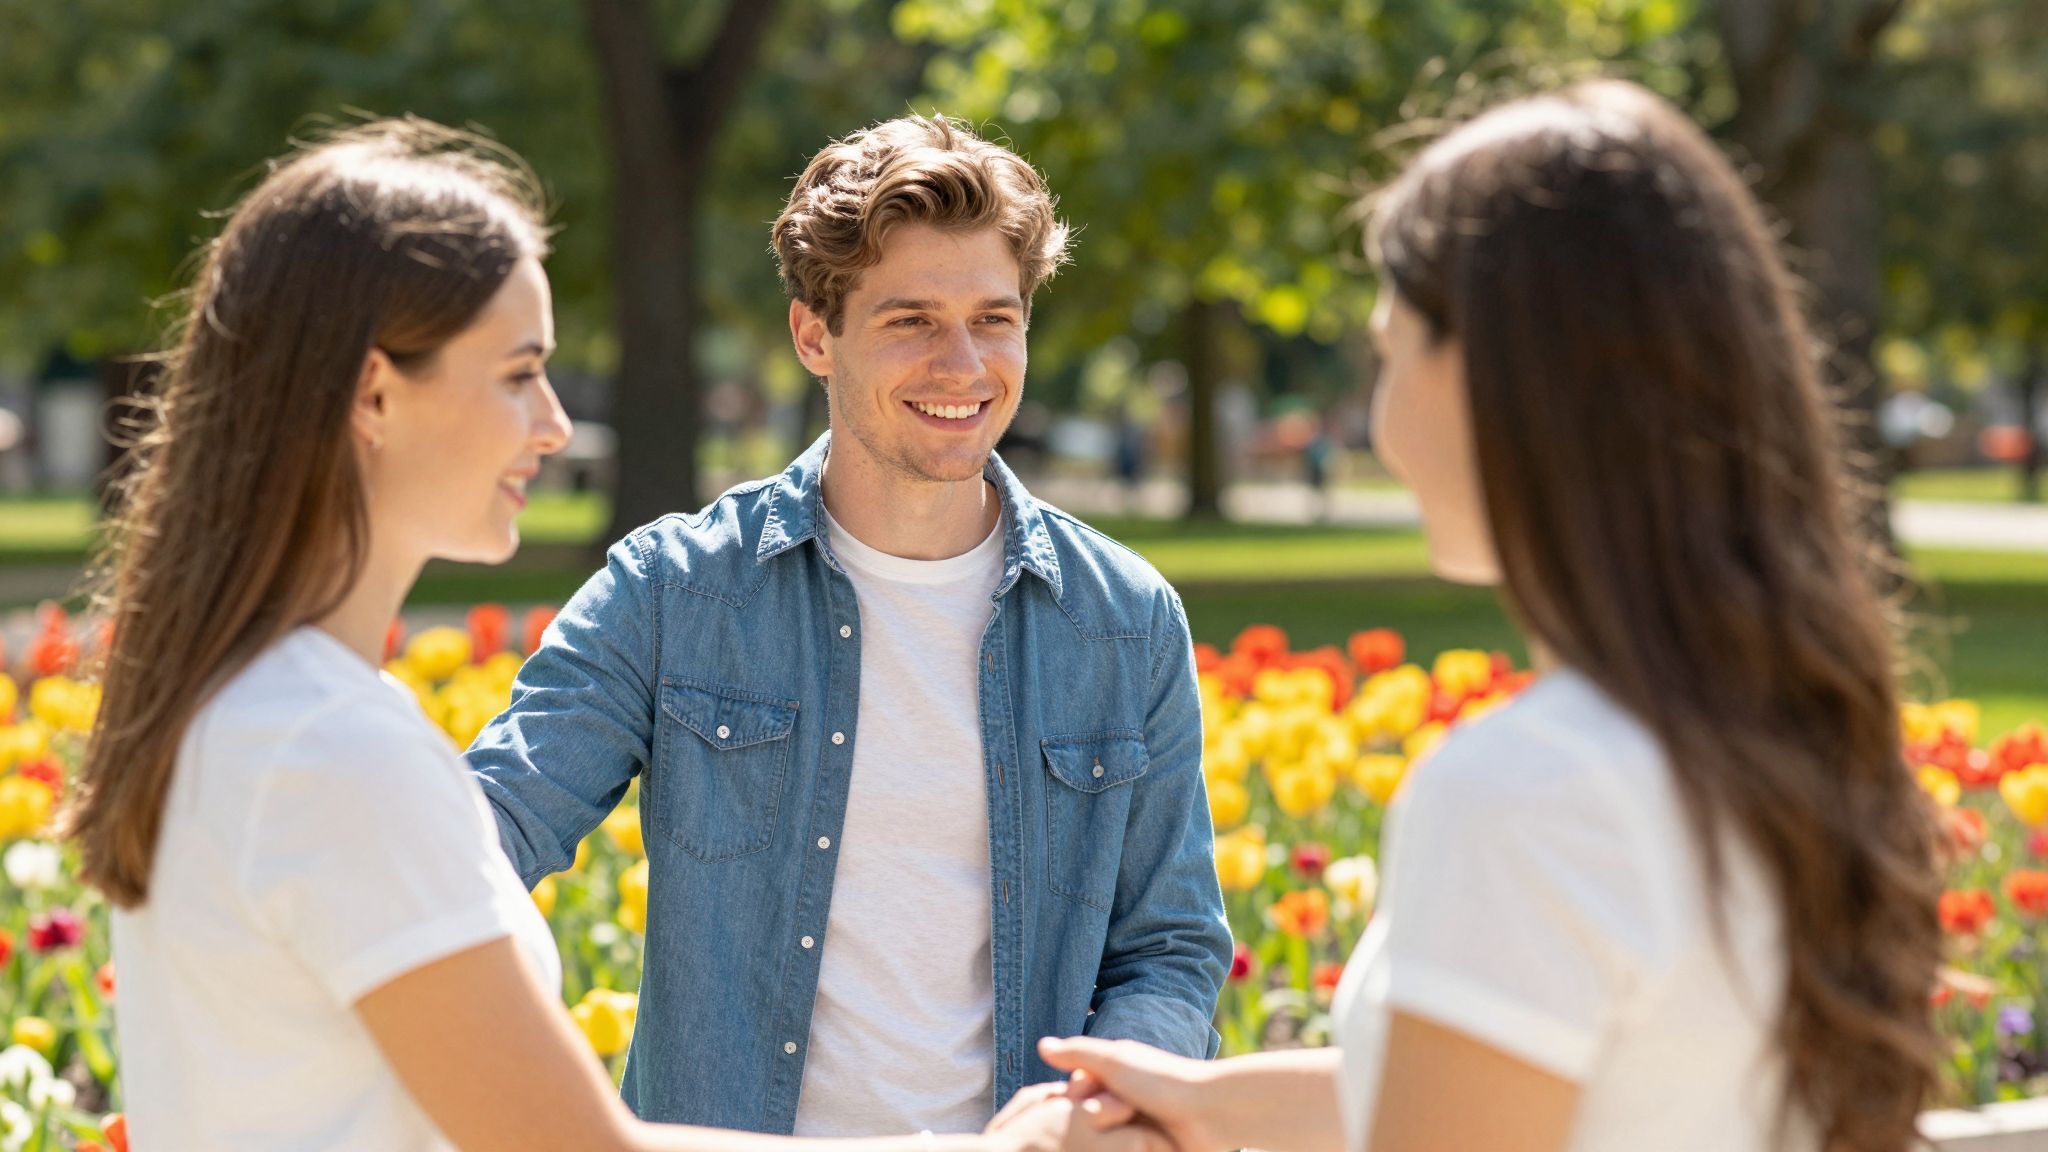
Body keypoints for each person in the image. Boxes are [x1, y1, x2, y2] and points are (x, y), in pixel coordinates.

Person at [63, 117, 1145, 1152]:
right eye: (518, 372)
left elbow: (1167, 946)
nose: (557, 425)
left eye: (994, 317)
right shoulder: (335, 749)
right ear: (375, 396)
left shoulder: (273, 717)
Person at [1032, 79, 1944, 1152]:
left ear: (1499, 379)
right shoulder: (1775, 738)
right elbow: (1567, 1090)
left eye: (1388, 354)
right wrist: (1208, 1106)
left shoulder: (1522, 798)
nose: (1374, 422)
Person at [465, 112, 1230, 1137]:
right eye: (910, 320)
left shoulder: (1123, 621)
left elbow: (1168, 948)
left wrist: (1092, 1108)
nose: (962, 365)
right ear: (813, 335)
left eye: (994, 319)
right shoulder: (673, 593)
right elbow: (486, 832)